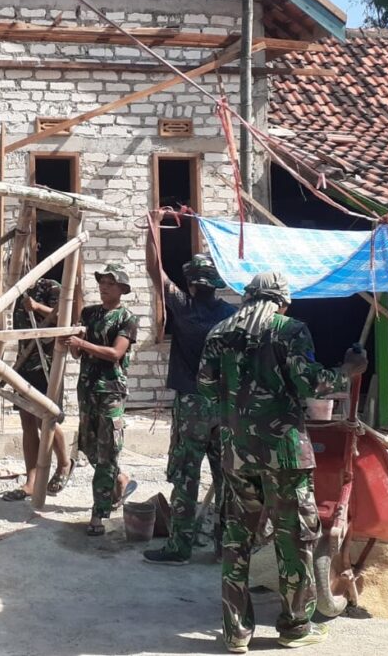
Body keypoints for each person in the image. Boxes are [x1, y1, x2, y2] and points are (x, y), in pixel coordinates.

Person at [197, 272, 366, 652]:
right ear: (282, 302)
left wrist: (237, 409)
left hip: (237, 453)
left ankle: (236, 633)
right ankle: (295, 627)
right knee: (294, 539)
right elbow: (312, 384)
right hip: (284, 455)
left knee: (237, 540)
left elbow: (205, 388)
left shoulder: (218, 333)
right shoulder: (289, 330)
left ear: (248, 297)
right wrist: (347, 370)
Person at [141, 232, 237, 565]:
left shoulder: (184, 308)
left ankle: (180, 548)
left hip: (192, 405)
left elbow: (154, 270)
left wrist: (152, 229)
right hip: (224, 406)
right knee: (226, 478)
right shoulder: (231, 315)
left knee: (186, 476)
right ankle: (226, 548)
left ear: (191, 283)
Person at [68, 263, 140, 536]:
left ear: (122, 288)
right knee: (89, 446)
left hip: (111, 390)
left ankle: (98, 513)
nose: (104, 287)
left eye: (110, 283)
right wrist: (73, 342)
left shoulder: (126, 318)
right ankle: (120, 479)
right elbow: (77, 353)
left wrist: (83, 344)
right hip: (87, 388)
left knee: (108, 449)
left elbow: (115, 354)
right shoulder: (89, 314)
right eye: (102, 282)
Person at [1, 277, 75, 502]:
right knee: (27, 422)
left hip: (48, 365)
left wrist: (38, 307)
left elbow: (67, 320)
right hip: (25, 363)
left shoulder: (51, 287)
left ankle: (64, 463)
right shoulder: (18, 292)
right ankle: (31, 481)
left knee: (46, 419)